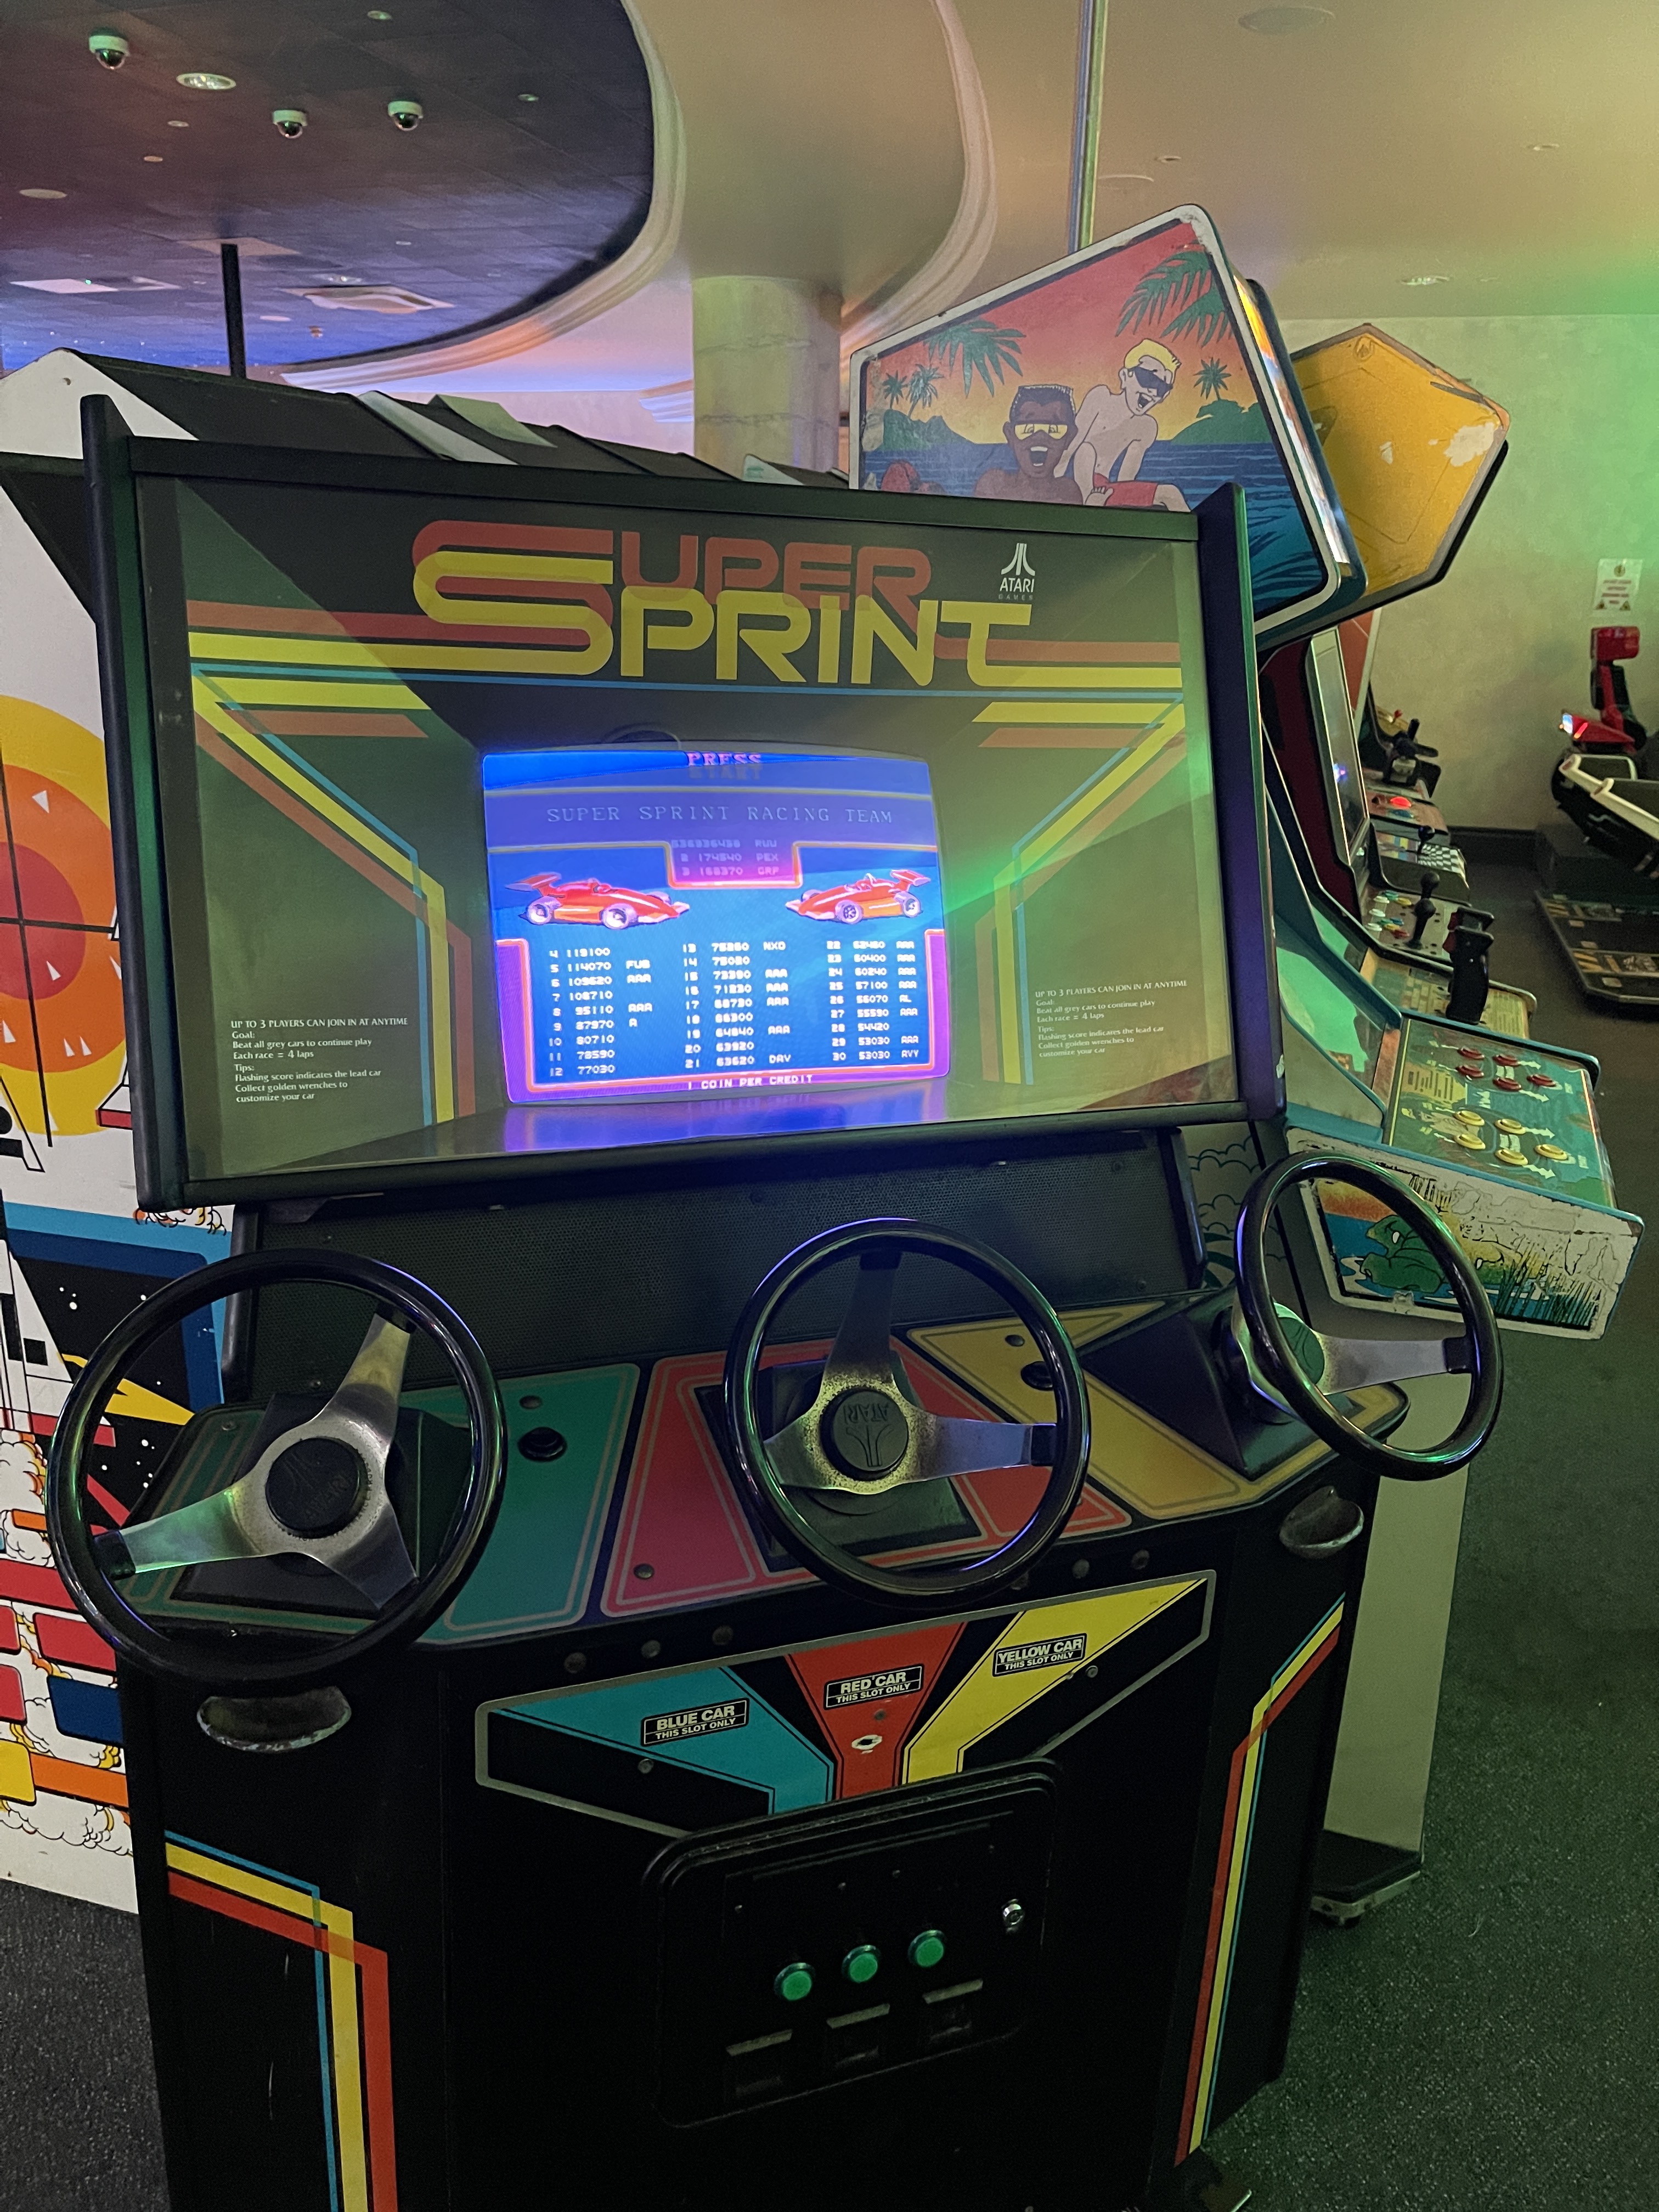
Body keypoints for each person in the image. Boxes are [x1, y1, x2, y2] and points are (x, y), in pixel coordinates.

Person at [1064, 340, 1189, 511]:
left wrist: (1124, 506)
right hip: (1076, 479)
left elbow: (1127, 478)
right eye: (1148, 379)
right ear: (1125, 376)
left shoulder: (1146, 427)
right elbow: (1071, 444)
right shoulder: (1101, 397)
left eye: (1162, 388)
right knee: (1086, 450)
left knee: (1171, 493)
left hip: (1103, 488)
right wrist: (1054, 480)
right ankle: (1089, 503)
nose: (1153, 391)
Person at [972, 385, 1084, 503]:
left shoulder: (1068, 493)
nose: (1040, 437)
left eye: (1054, 430)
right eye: (1028, 429)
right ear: (1010, 434)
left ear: (1070, 437)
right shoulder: (994, 486)